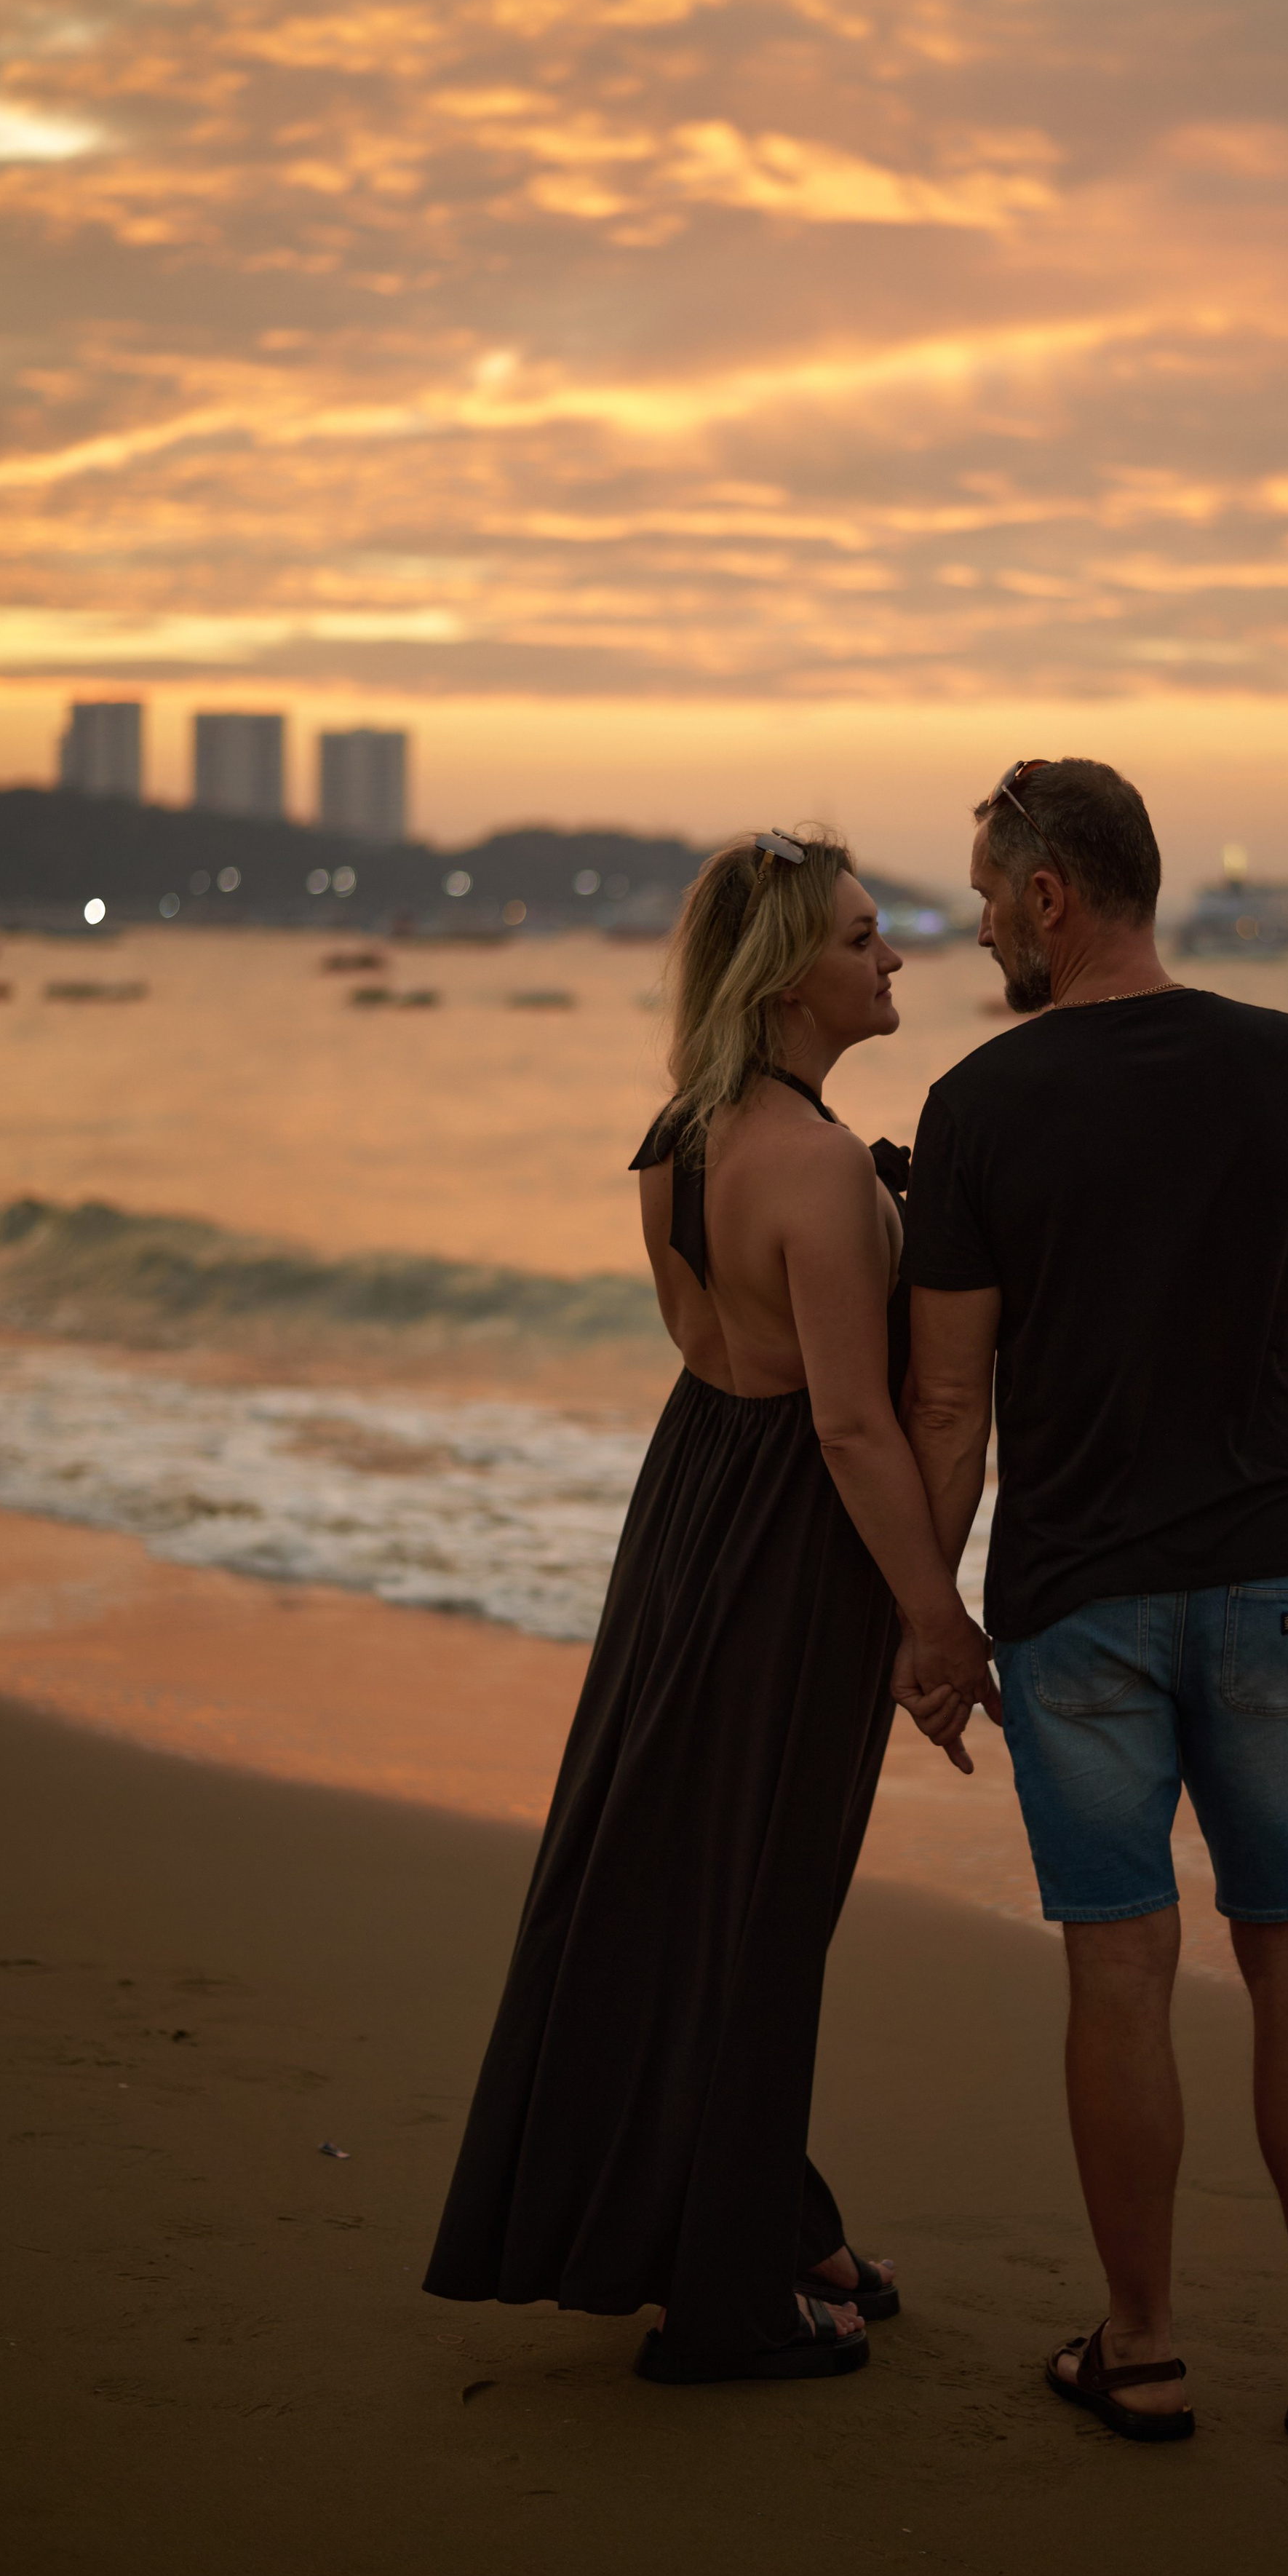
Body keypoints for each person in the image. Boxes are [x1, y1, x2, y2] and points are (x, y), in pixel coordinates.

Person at [896, 759, 1288, 2449]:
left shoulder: (982, 1106)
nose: (980, 919)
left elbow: (946, 1405)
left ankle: (1136, 2347)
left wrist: (930, 1614)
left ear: (1051, 896)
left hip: (1077, 1606)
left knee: (1118, 1968)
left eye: (989, 890)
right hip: (1265, 1579)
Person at [424, 828, 990, 2385]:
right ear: (788, 971)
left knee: (689, 1876)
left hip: (689, 1511)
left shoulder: (683, 1133)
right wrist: (931, 1617)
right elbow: (851, 1422)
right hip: (791, 1541)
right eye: (864, 938)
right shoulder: (808, 1162)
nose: (892, 960)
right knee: (762, 1903)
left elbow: (721, 1355)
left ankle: (772, 2211)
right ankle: (723, 2299)